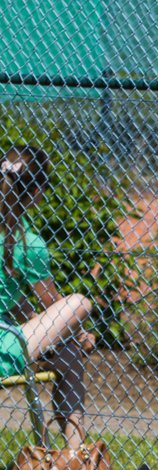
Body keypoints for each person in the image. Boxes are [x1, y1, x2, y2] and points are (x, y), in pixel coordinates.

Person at [0, 146, 96, 450]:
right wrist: (79, 332)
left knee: (68, 354)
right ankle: (75, 455)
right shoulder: (28, 242)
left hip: (7, 330)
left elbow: (10, 299)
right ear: (38, 190)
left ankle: (74, 454)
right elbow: (54, 306)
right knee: (79, 303)